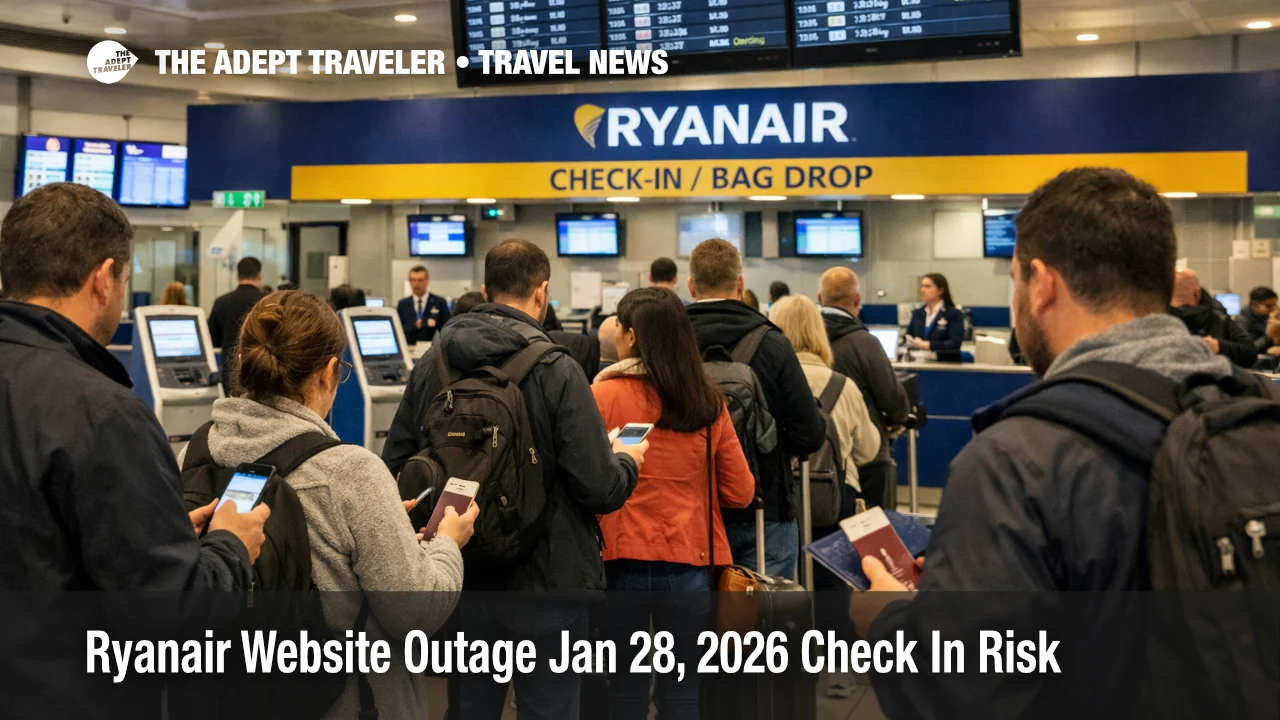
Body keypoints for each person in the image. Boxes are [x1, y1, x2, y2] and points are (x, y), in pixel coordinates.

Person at [855, 168, 1238, 717]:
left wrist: (886, 625)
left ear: (1041, 284)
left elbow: (958, 698)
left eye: (1014, 280)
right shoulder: (1247, 415)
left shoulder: (1014, 462)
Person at [0, 183, 268, 714]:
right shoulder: (100, 411)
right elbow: (173, 619)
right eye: (123, 279)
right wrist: (230, 546)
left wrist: (158, 533)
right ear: (103, 279)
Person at [180, 289, 474, 720]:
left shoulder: (196, 450)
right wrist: (447, 542)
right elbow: (416, 610)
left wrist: (387, 528)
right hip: (342, 701)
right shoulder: (350, 472)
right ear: (329, 372)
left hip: (226, 692)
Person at [382, 239, 645, 720]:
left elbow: (397, 466)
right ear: (541, 293)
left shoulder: (432, 365)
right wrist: (627, 459)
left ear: (485, 289)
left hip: (461, 572)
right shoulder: (558, 368)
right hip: (548, 582)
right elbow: (599, 486)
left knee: (469, 708)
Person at [592, 287, 755, 720]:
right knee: (683, 691)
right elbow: (741, 491)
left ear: (627, 336)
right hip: (690, 564)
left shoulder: (602, 397)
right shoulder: (707, 401)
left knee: (624, 687)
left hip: (618, 559)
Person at [686, 238, 826, 578]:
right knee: (765, 621)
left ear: (690, 286)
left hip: (686, 511)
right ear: (741, 283)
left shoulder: (666, 342)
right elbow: (808, 434)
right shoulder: (772, 343)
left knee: (688, 625)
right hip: (764, 506)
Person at [769, 293, 880, 698]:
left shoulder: (768, 380)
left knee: (783, 582)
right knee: (834, 586)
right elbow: (868, 450)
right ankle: (836, 672)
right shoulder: (842, 385)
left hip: (782, 500)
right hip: (837, 498)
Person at [817, 267, 911, 510]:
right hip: (865, 458)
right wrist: (898, 418)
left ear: (819, 298)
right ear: (857, 300)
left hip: (816, 455)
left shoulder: (802, 339)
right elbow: (893, 400)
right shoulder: (865, 343)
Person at [1168, 268, 1256, 367]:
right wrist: (1218, 346)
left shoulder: (1157, 320)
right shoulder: (1219, 318)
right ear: (1197, 293)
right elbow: (1250, 352)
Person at [208, 256, 264, 394]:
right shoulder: (266, 301)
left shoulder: (222, 301)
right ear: (259, 275)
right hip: (261, 369)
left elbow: (213, 339)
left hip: (230, 371)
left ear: (237, 276)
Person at [905, 272, 965, 362]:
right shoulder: (918, 313)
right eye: (922, 286)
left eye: (927, 286)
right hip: (919, 364)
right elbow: (909, 335)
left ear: (940, 290)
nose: (922, 290)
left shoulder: (953, 314)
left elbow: (954, 343)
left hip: (945, 366)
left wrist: (929, 345)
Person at [396, 265, 450, 345]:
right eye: (413, 280)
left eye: (420, 280)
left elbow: (446, 327)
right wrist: (416, 325)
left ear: (427, 281)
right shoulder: (403, 304)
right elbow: (398, 329)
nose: (416, 283)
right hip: (410, 346)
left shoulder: (439, 302)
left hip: (433, 347)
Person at [1234, 286, 1278, 355]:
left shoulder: (1268, 316)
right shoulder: (1242, 321)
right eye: (1268, 306)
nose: (1274, 309)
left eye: (1275, 305)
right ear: (1254, 304)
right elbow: (1246, 349)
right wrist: (1268, 336)